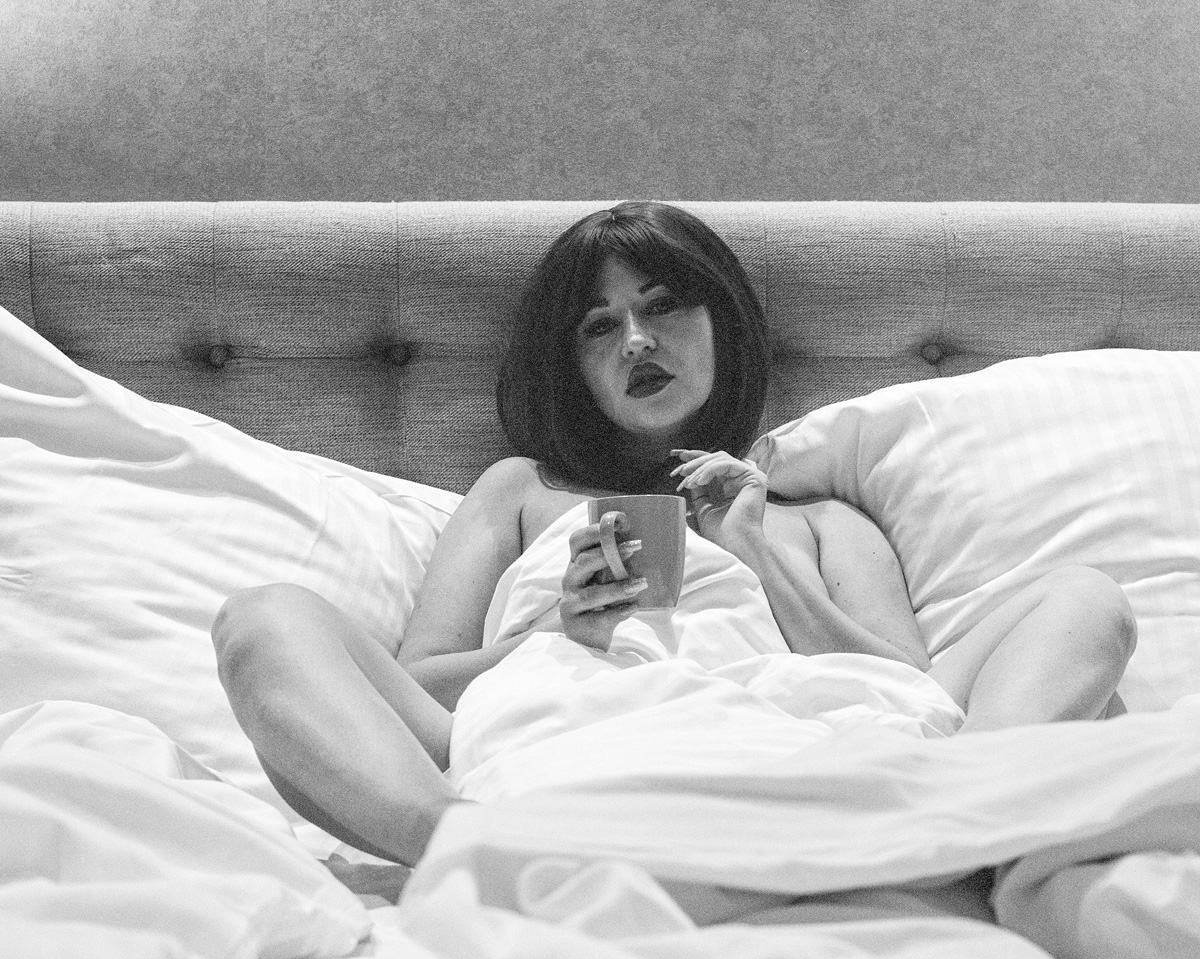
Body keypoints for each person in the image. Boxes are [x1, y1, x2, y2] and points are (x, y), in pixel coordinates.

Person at [212, 202, 1137, 868]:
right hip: (564, 738)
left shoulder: (817, 516)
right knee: (265, 619)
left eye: (662, 307)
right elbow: (411, 691)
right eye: (599, 326)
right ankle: (459, 846)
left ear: (721, 323)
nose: (636, 342)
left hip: (807, 744)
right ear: (574, 366)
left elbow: (907, 686)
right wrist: (558, 632)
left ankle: (963, 821)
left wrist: (760, 549)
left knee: (1081, 599)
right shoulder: (525, 490)